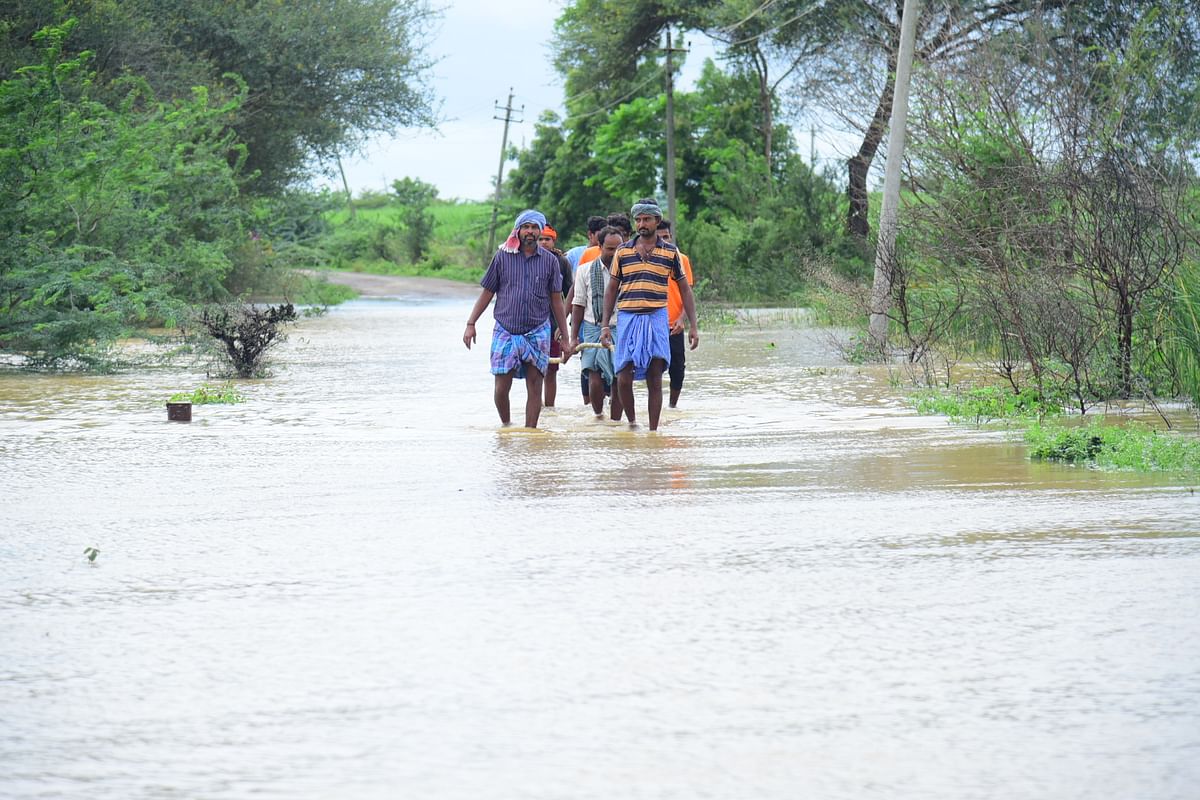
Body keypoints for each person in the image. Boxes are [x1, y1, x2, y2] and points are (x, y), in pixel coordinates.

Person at [463, 210, 571, 429]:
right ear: (518, 230)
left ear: (540, 231)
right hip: (505, 328)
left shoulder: (550, 261)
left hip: (538, 329)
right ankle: (506, 426)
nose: (530, 232)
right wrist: (471, 323)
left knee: (535, 384)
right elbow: (487, 292)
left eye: (534, 228)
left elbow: (557, 301)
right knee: (501, 386)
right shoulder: (502, 257)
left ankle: (530, 431)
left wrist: (565, 337)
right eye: (526, 227)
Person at [599, 199, 698, 431]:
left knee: (655, 375)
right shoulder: (623, 251)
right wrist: (605, 326)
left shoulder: (671, 252)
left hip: (656, 317)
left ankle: (653, 431)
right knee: (623, 375)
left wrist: (693, 325)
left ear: (656, 221)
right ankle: (633, 423)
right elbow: (611, 289)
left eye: (646, 219)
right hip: (628, 317)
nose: (641, 224)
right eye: (638, 220)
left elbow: (685, 288)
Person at [569, 226, 625, 420]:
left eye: (619, 248)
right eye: (610, 249)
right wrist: (573, 337)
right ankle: (598, 417)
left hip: (621, 326)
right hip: (592, 327)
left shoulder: (629, 270)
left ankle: (616, 422)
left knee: (620, 376)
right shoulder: (584, 271)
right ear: (599, 246)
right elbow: (578, 304)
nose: (615, 253)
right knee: (593, 374)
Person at [656, 219, 695, 408]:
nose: (664, 241)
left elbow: (688, 292)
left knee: (677, 369)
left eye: (666, 237)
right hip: (653, 323)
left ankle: (672, 407)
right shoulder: (647, 258)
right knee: (651, 369)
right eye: (660, 237)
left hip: (674, 325)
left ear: (671, 237)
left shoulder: (681, 260)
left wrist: (682, 319)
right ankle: (653, 408)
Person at [537, 225, 573, 407]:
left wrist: (569, 323)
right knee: (533, 372)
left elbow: (570, 293)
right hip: (531, 325)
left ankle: (549, 410)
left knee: (551, 370)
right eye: (540, 239)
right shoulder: (526, 259)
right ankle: (535, 408)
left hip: (553, 326)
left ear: (554, 241)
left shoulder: (562, 262)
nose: (543, 242)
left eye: (547, 239)